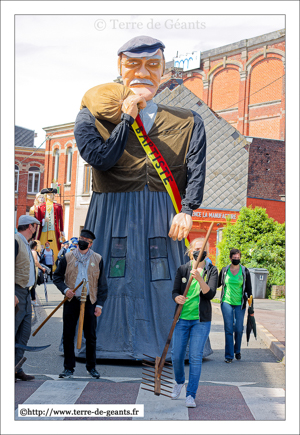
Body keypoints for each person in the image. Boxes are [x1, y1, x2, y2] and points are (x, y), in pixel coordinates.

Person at [73, 35, 207, 359]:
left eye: (153, 64)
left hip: (163, 213)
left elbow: (196, 169)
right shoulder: (91, 114)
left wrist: (187, 209)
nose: (143, 72)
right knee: (108, 276)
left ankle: (172, 344)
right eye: (133, 64)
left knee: (165, 281)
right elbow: (101, 158)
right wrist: (127, 117)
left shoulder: (188, 121)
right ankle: (100, 342)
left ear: (163, 69)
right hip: (111, 210)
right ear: (119, 68)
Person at [53, 229, 108, 378]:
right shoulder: (68, 257)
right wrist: (65, 290)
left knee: (90, 336)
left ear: (90, 244)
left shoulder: (97, 259)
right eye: (81, 238)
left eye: (86, 240)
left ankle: (91, 367)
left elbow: (102, 285)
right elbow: (57, 277)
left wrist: (99, 305)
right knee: (68, 335)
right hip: (72, 301)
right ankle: (68, 368)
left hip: (90, 301)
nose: (82, 241)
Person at [171, 238, 218, 408]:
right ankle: (179, 382)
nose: (199, 251)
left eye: (203, 249)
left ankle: (191, 395)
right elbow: (175, 291)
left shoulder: (211, 270)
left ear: (207, 251)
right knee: (176, 355)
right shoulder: (183, 269)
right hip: (182, 318)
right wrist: (177, 297)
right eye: (197, 249)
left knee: (195, 357)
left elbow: (210, 294)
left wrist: (199, 278)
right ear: (190, 251)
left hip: (201, 321)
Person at [15, 215, 41, 381]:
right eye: (36, 226)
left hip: (25, 292)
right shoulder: (15, 240)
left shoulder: (23, 242)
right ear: (31, 226)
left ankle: (16, 368)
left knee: (24, 333)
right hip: (16, 291)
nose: (36, 229)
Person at [218, 248, 253, 363]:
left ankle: (237, 350)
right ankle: (229, 356)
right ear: (230, 258)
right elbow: (217, 283)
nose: (237, 259)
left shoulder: (244, 271)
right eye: (234, 257)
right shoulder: (224, 270)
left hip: (240, 304)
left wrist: (251, 307)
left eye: (238, 258)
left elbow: (249, 290)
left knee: (238, 329)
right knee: (228, 329)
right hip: (226, 302)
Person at [35, 187, 64, 263]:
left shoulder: (58, 206)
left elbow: (61, 219)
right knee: (42, 247)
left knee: (54, 247)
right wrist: (43, 220)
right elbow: (38, 221)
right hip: (44, 231)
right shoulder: (40, 207)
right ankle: (42, 262)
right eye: (48, 195)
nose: (50, 197)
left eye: (51, 195)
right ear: (45, 196)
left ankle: (54, 263)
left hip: (54, 231)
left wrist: (62, 230)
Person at [29, 240, 46, 306]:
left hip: (31, 269)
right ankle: (34, 300)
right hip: (34, 269)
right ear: (35, 246)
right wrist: (42, 268)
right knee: (33, 284)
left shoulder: (29, 251)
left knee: (31, 284)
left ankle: (33, 299)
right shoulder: (34, 252)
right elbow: (36, 262)